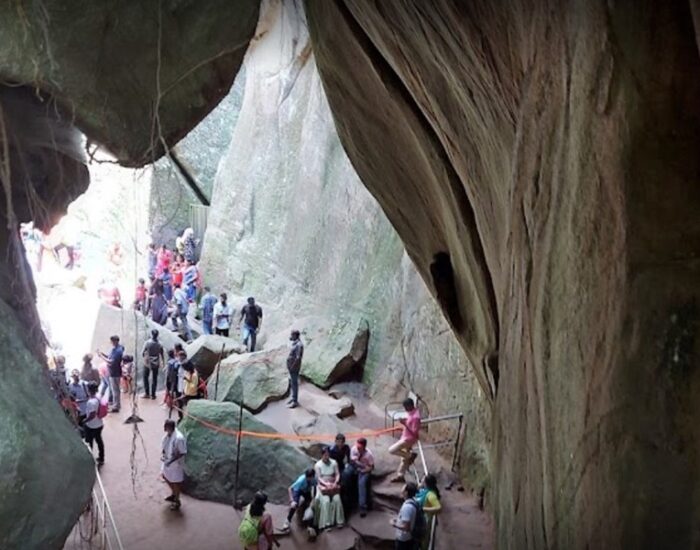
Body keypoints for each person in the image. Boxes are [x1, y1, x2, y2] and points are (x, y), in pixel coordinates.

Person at [389, 398, 421, 482]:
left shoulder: (416, 417)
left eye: (406, 407)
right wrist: (405, 424)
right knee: (404, 458)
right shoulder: (411, 412)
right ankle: (400, 475)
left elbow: (414, 432)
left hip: (409, 439)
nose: (405, 409)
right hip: (405, 436)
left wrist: (405, 424)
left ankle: (411, 456)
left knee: (392, 450)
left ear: (410, 406)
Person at [314, 447, 345, 530]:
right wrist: (326, 484)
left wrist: (335, 482)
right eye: (325, 455)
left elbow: (337, 474)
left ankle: (339, 521)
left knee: (337, 499)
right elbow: (319, 478)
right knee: (326, 501)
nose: (327, 457)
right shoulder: (318, 465)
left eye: (328, 455)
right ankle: (327, 523)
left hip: (333, 485)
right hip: (323, 486)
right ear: (322, 455)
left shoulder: (334, 462)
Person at [343, 437, 375, 516]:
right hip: (354, 465)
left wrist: (363, 471)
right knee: (345, 474)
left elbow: (371, 467)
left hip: (364, 468)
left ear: (364, 447)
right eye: (357, 446)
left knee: (361, 483)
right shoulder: (354, 449)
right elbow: (352, 460)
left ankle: (362, 507)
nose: (357, 448)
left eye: (359, 447)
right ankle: (346, 500)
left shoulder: (369, 455)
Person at [161, 419, 187, 510]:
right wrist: (164, 454)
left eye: (165, 427)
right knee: (165, 476)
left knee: (176, 482)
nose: (164, 428)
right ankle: (174, 494)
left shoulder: (179, 438)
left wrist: (171, 460)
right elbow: (165, 445)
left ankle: (177, 501)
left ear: (169, 427)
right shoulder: (168, 435)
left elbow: (182, 452)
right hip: (167, 461)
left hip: (176, 464)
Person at [283, 468, 317, 534]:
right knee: (295, 505)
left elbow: (315, 488)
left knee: (311, 505)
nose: (308, 479)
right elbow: (290, 488)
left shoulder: (314, 480)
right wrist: (292, 500)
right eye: (307, 477)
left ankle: (310, 525)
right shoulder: (301, 480)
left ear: (312, 477)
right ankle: (287, 521)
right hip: (298, 490)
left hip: (306, 491)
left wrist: (314, 498)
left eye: (310, 478)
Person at [391, 482, 424, 550]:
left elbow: (406, 527)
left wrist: (394, 524)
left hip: (404, 538)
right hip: (408, 537)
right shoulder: (413, 501)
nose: (401, 489)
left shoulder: (407, 507)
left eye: (403, 487)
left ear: (406, 492)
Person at [98, 335, 124, 413]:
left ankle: (116, 407)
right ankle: (116, 404)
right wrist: (103, 354)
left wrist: (101, 357)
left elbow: (111, 361)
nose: (111, 343)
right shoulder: (115, 349)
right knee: (115, 390)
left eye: (112, 341)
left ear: (115, 341)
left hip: (115, 373)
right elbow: (109, 357)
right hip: (113, 372)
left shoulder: (118, 351)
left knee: (115, 390)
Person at [416, 474, 442, 550]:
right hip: (420, 520)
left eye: (422, 480)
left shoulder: (431, 494)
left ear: (426, 483)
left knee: (423, 541)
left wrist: (424, 509)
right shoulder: (424, 491)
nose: (421, 481)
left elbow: (439, 508)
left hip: (425, 521)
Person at [84, 382, 105, 466]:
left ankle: (90, 460)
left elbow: (92, 415)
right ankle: (101, 458)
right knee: (99, 441)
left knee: (89, 442)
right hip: (99, 424)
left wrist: (85, 421)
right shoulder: (99, 397)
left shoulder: (91, 402)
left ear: (89, 390)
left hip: (91, 426)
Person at [142, 329, 165, 399]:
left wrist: (145, 357)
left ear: (151, 334)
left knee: (145, 377)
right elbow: (162, 354)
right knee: (154, 378)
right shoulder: (160, 344)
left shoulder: (147, 343)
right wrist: (163, 362)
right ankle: (153, 394)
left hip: (147, 362)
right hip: (156, 362)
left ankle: (147, 393)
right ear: (157, 335)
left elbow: (142, 352)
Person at [286, 329, 303, 409]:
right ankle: (293, 398)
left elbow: (298, 358)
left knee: (294, 383)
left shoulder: (299, 345)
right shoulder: (295, 343)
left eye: (292, 335)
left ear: (295, 336)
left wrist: (292, 366)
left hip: (294, 368)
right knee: (292, 383)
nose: (290, 336)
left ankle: (295, 401)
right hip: (291, 367)